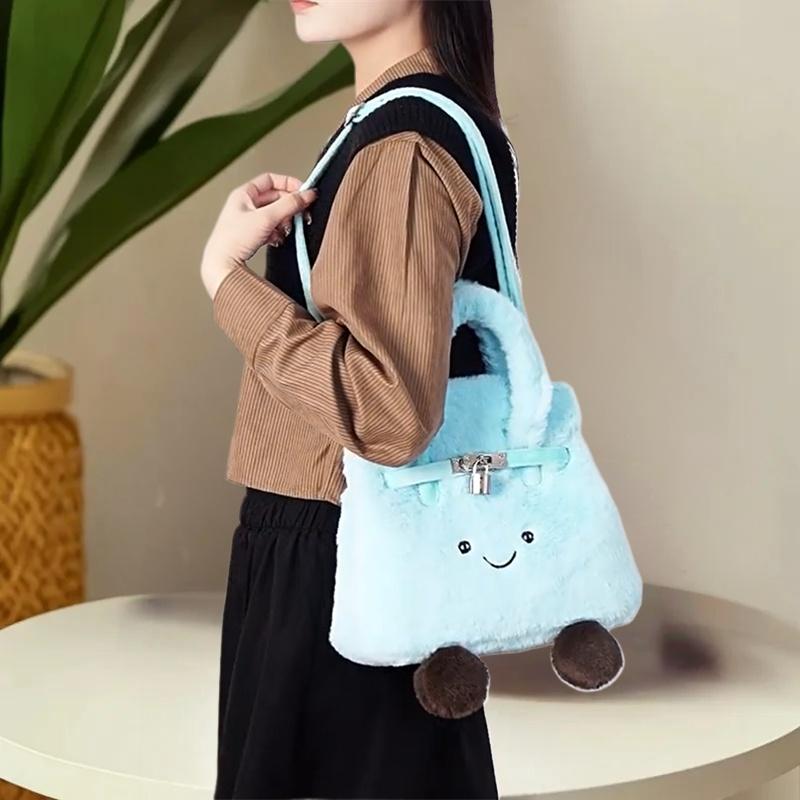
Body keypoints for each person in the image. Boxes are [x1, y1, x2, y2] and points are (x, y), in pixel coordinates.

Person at [201, 1, 519, 797]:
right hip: (364, 551)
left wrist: (225, 280)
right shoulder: (427, 122)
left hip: (333, 560)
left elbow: (389, 412)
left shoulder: (402, 145)